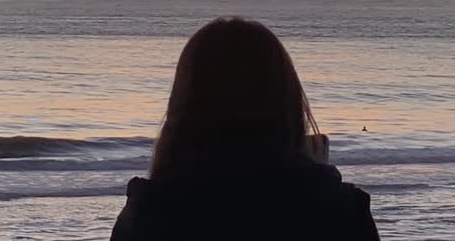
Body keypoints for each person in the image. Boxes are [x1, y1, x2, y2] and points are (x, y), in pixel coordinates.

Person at [110, 17, 380, 241]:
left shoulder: (148, 214)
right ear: (286, 101)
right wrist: (318, 180)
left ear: (185, 107)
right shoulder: (343, 211)